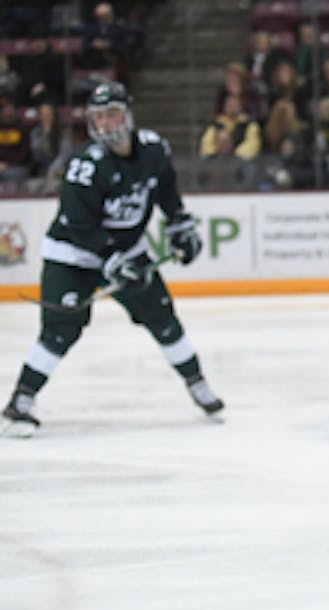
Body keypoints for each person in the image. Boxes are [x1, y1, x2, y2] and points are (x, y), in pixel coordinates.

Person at [1, 82, 217, 437]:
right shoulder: (85, 167)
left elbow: (166, 189)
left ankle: (197, 384)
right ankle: (21, 400)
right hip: (72, 256)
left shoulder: (153, 149)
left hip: (126, 251)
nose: (106, 122)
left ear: (128, 115)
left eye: (113, 113)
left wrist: (179, 225)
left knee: (162, 318)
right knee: (60, 330)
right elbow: (78, 223)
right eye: (98, 117)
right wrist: (111, 258)